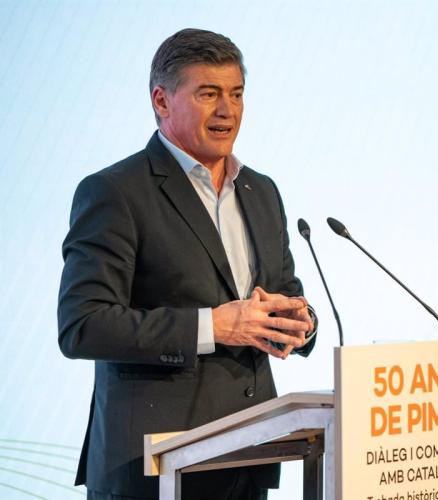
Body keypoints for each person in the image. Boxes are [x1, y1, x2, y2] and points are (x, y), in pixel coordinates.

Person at [57, 28, 317, 500]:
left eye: (236, 93)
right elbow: (83, 325)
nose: (227, 110)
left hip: (248, 459)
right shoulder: (116, 192)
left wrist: (300, 322)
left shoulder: (261, 191)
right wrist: (213, 326)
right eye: (208, 94)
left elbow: (283, 291)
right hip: (154, 469)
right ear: (161, 100)